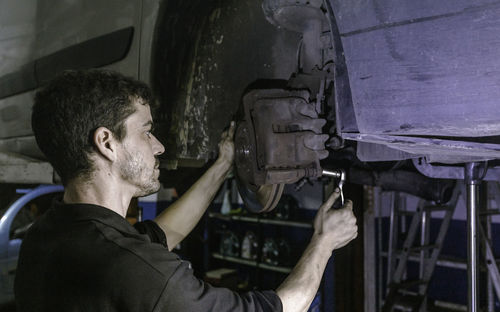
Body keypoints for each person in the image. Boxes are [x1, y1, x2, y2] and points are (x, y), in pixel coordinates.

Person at [14, 69, 357, 312]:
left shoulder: (49, 233)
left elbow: (167, 232)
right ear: (107, 143)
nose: (159, 146)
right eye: (146, 132)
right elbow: (282, 308)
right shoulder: (132, 268)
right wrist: (324, 242)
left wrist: (223, 164)